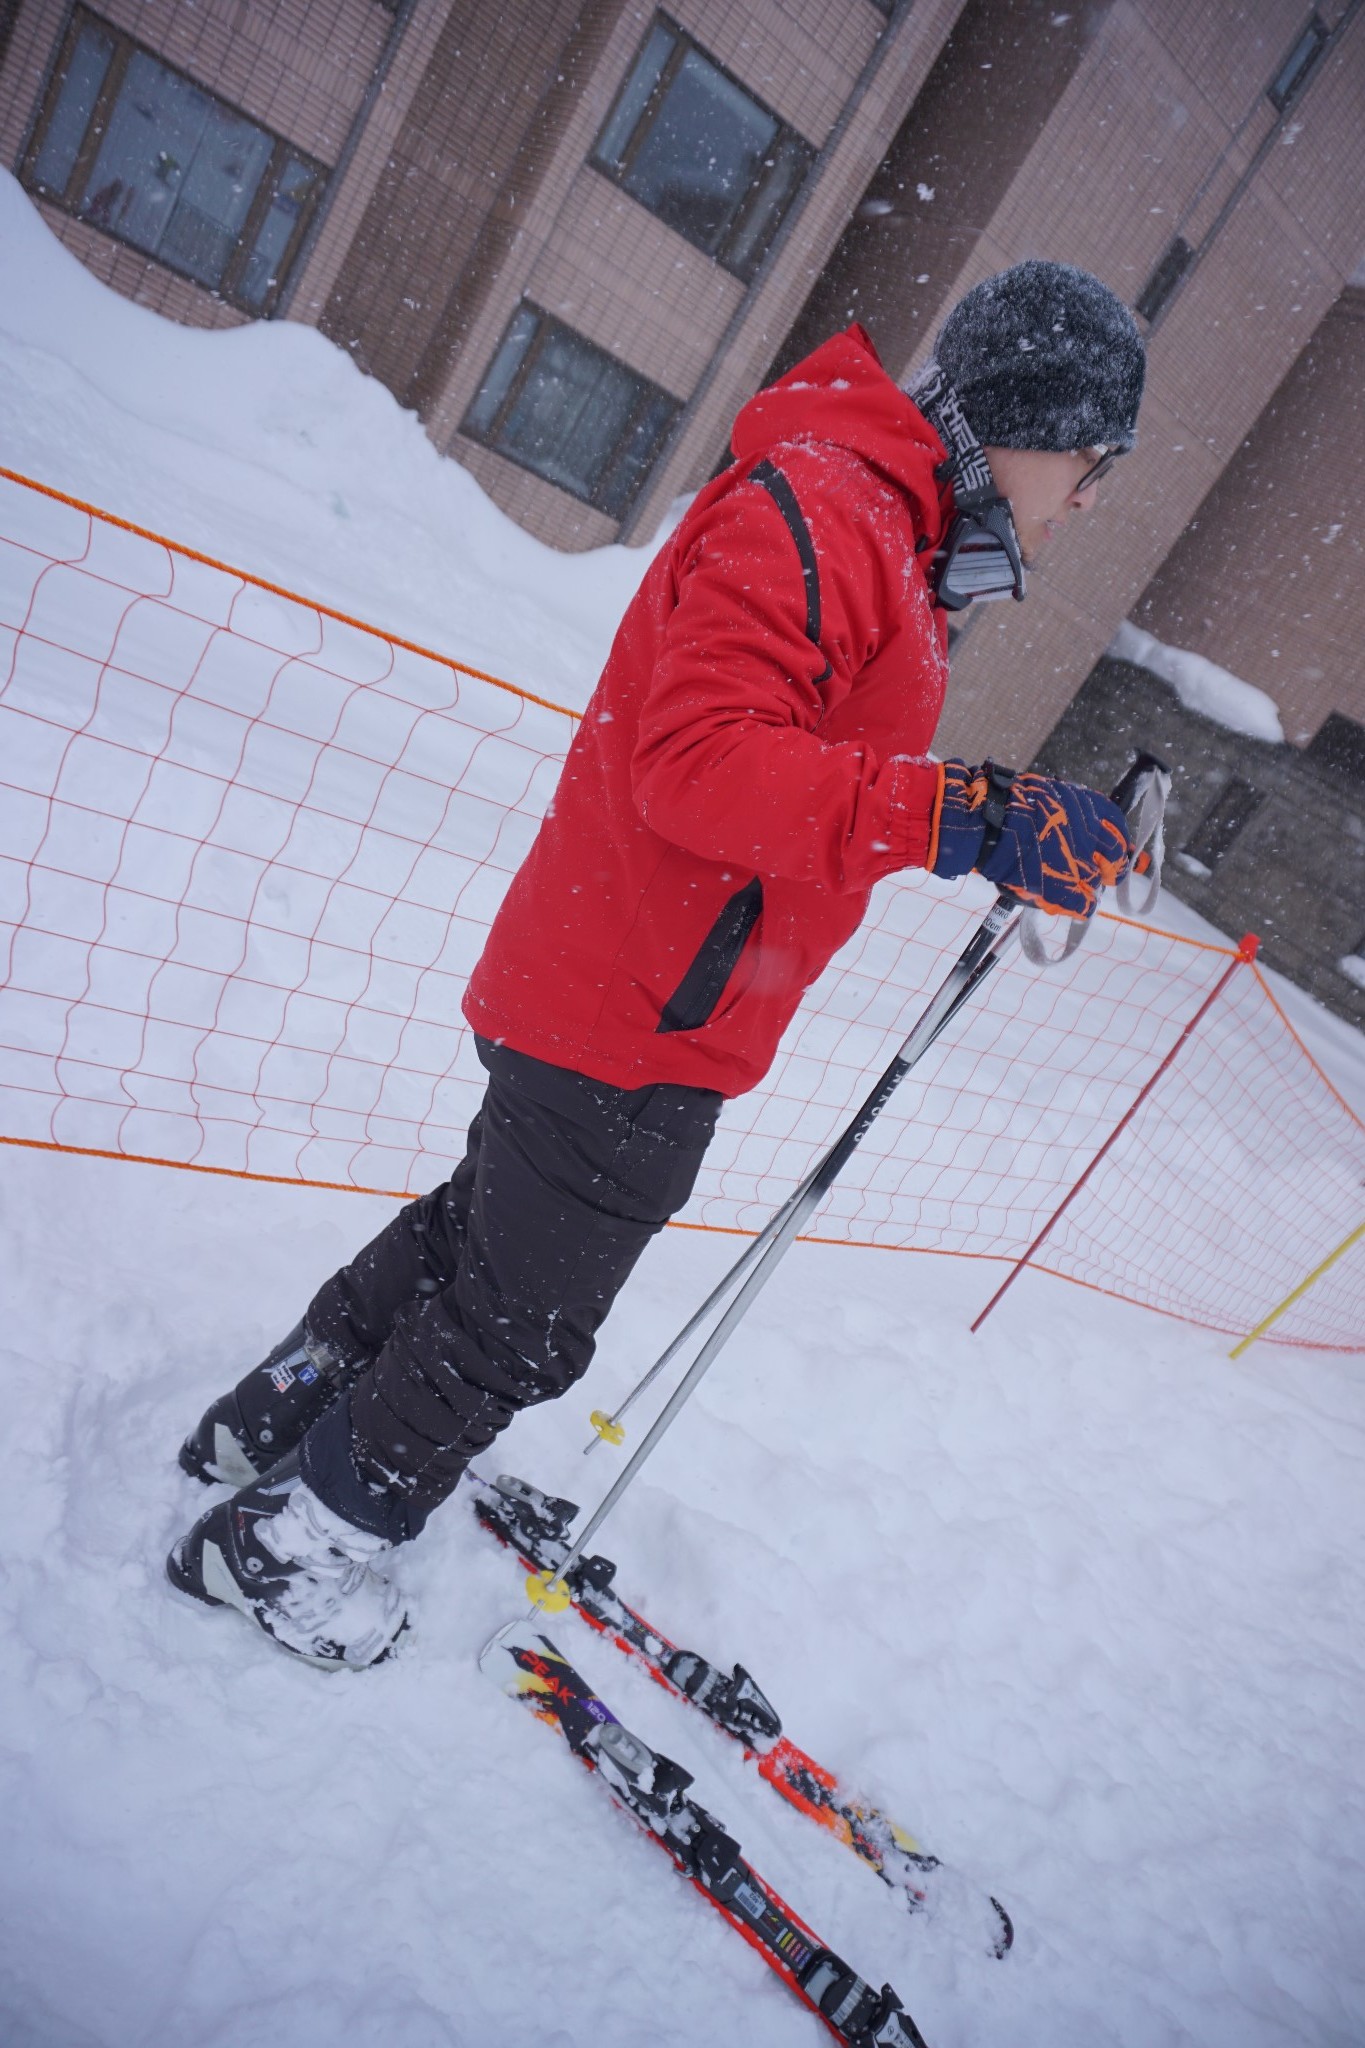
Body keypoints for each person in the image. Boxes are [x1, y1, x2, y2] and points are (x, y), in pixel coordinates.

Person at [168, 260, 1145, 1668]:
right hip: (635, 1011)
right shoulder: (829, 509)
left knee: (474, 1247)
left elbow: (800, 758)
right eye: (1091, 458)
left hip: (621, 986)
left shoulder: (881, 526)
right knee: (518, 1324)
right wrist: (960, 815)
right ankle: (292, 1548)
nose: (1091, 495)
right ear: (1022, 417)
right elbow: (699, 763)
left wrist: (979, 812)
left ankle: (265, 1420)